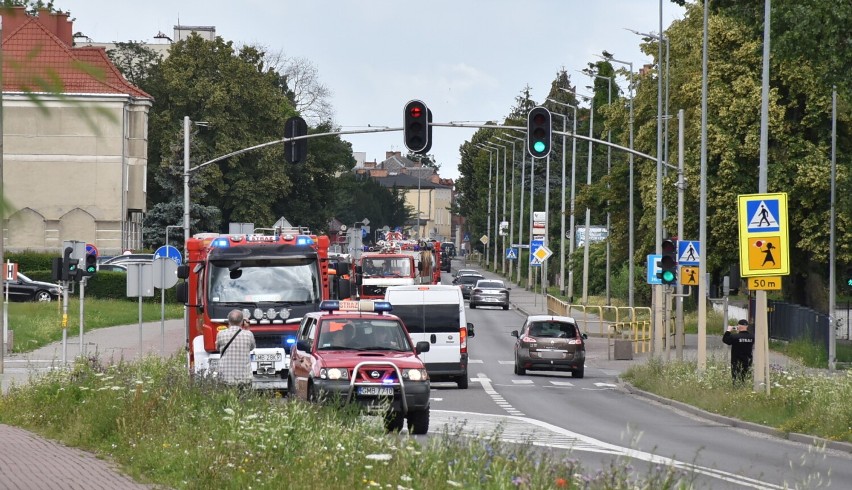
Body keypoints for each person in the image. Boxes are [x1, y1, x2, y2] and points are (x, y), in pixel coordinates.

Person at [215, 309, 256, 388]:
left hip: (225, 378)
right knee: (244, 399)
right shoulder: (249, 334)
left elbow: (217, 348)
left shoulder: (221, 334)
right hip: (244, 378)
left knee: (225, 399)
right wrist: (247, 328)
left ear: (229, 321)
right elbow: (252, 347)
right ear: (242, 321)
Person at [723, 319, 755, 386]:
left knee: (736, 376)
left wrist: (728, 330)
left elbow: (725, 340)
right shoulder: (752, 337)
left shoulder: (734, 336)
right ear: (747, 326)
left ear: (739, 326)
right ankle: (745, 387)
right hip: (748, 359)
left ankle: (736, 388)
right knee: (745, 375)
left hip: (736, 360)